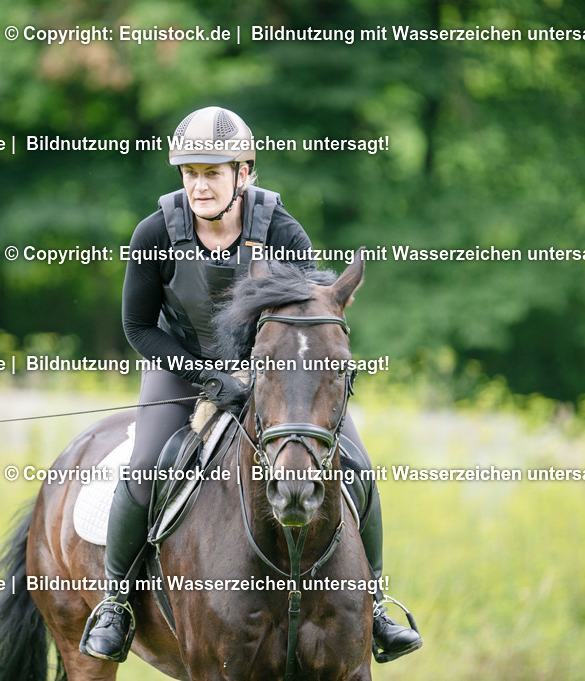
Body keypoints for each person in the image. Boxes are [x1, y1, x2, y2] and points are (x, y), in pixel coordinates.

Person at [79, 106, 421, 663]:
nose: (199, 186)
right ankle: (116, 604)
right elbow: (138, 327)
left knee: (357, 466)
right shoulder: (154, 233)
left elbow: (303, 324)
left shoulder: (281, 231)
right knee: (146, 468)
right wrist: (208, 377)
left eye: (212, 173)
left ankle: (376, 605)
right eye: (190, 173)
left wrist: (256, 376)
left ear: (243, 173)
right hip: (179, 362)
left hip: (270, 371)